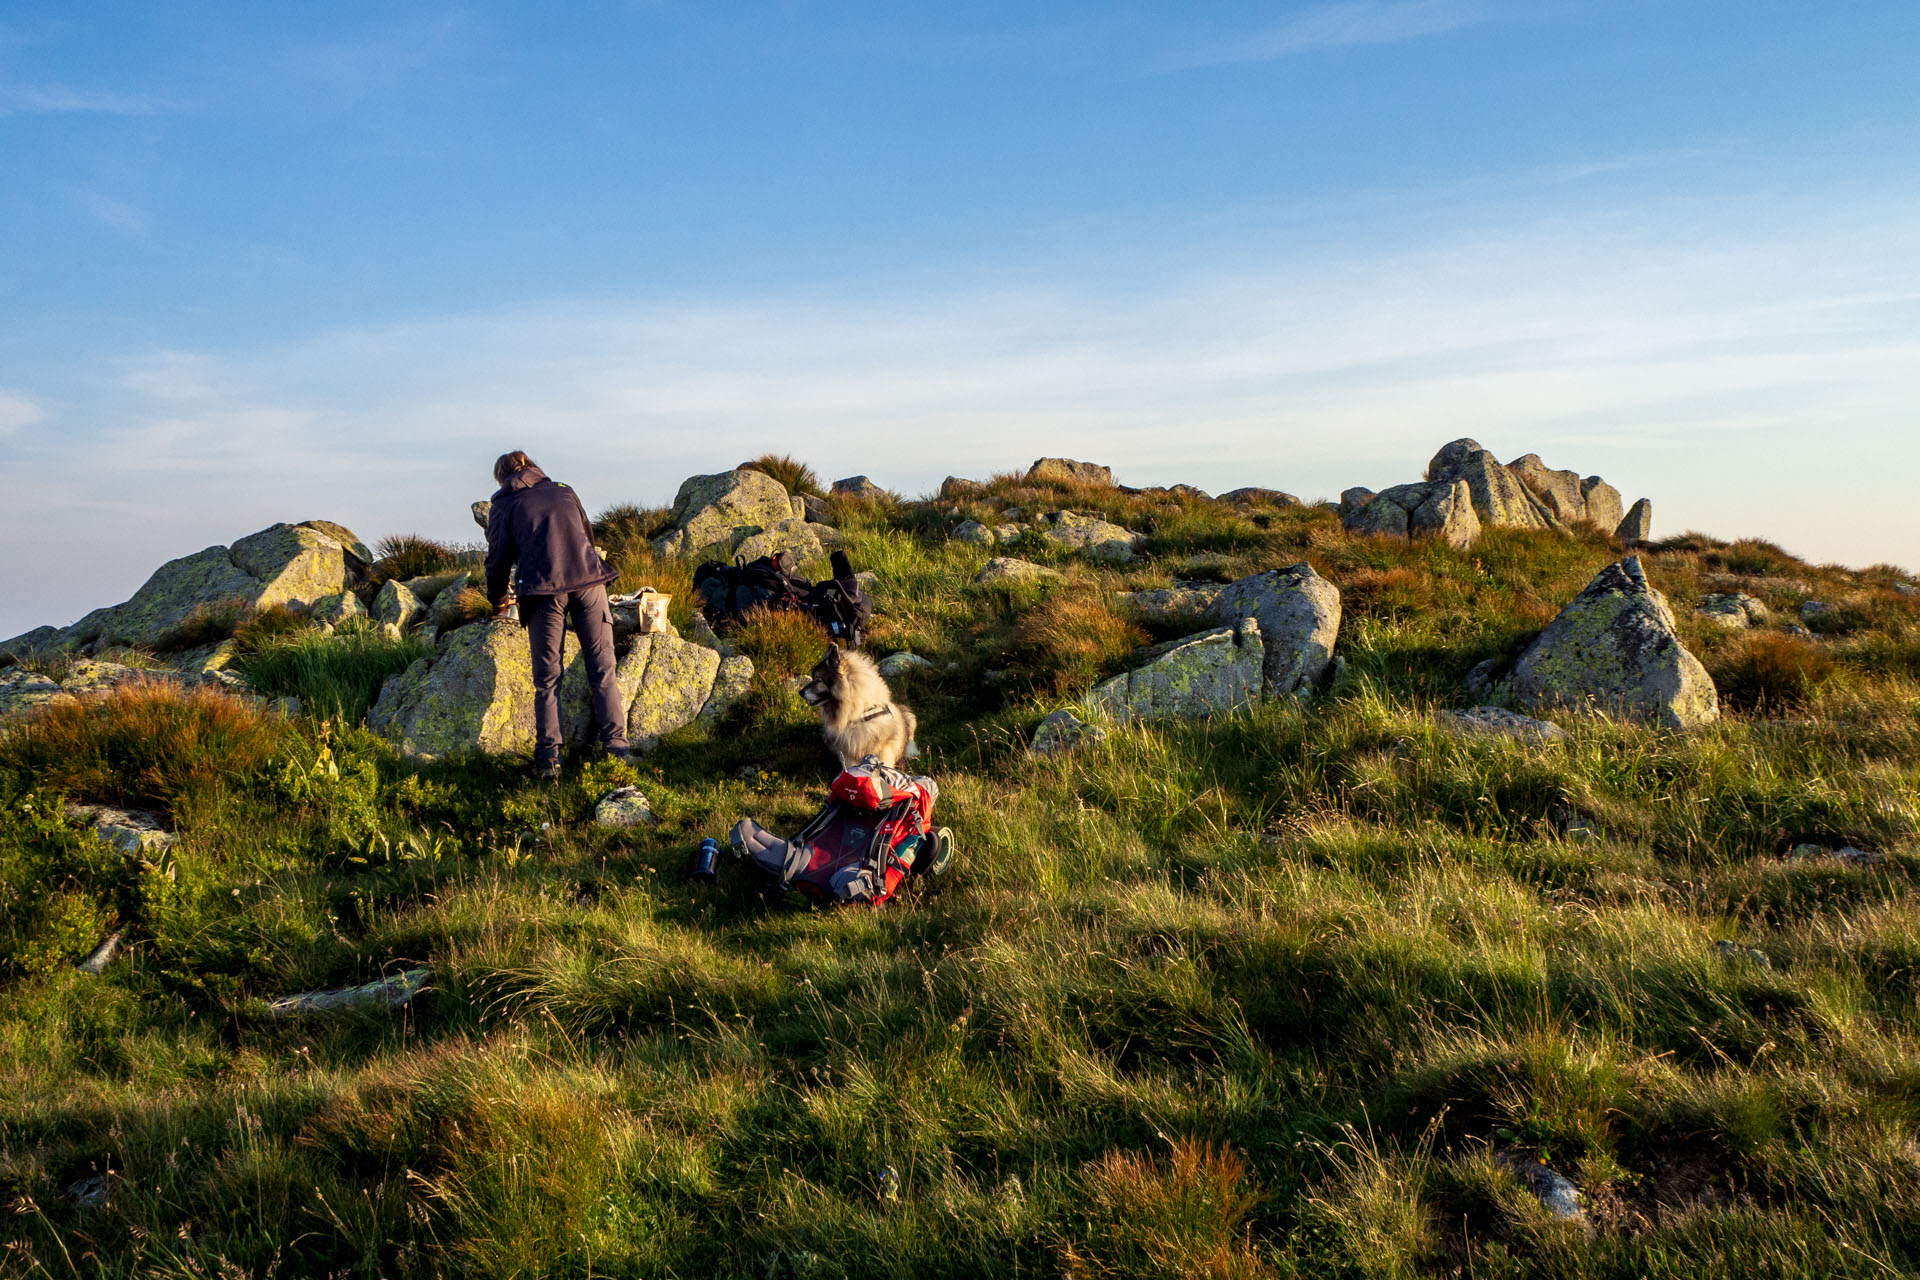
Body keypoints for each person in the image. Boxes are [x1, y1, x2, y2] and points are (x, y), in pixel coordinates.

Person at [484, 450, 629, 778]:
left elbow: (498, 560)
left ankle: (549, 761)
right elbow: (588, 537)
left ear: (502, 478)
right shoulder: (564, 490)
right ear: (532, 467)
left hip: (543, 592)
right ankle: (617, 751)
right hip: (590, 582)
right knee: (603, 669)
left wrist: (497, 601)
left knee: (548, 679)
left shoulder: (505, 504)